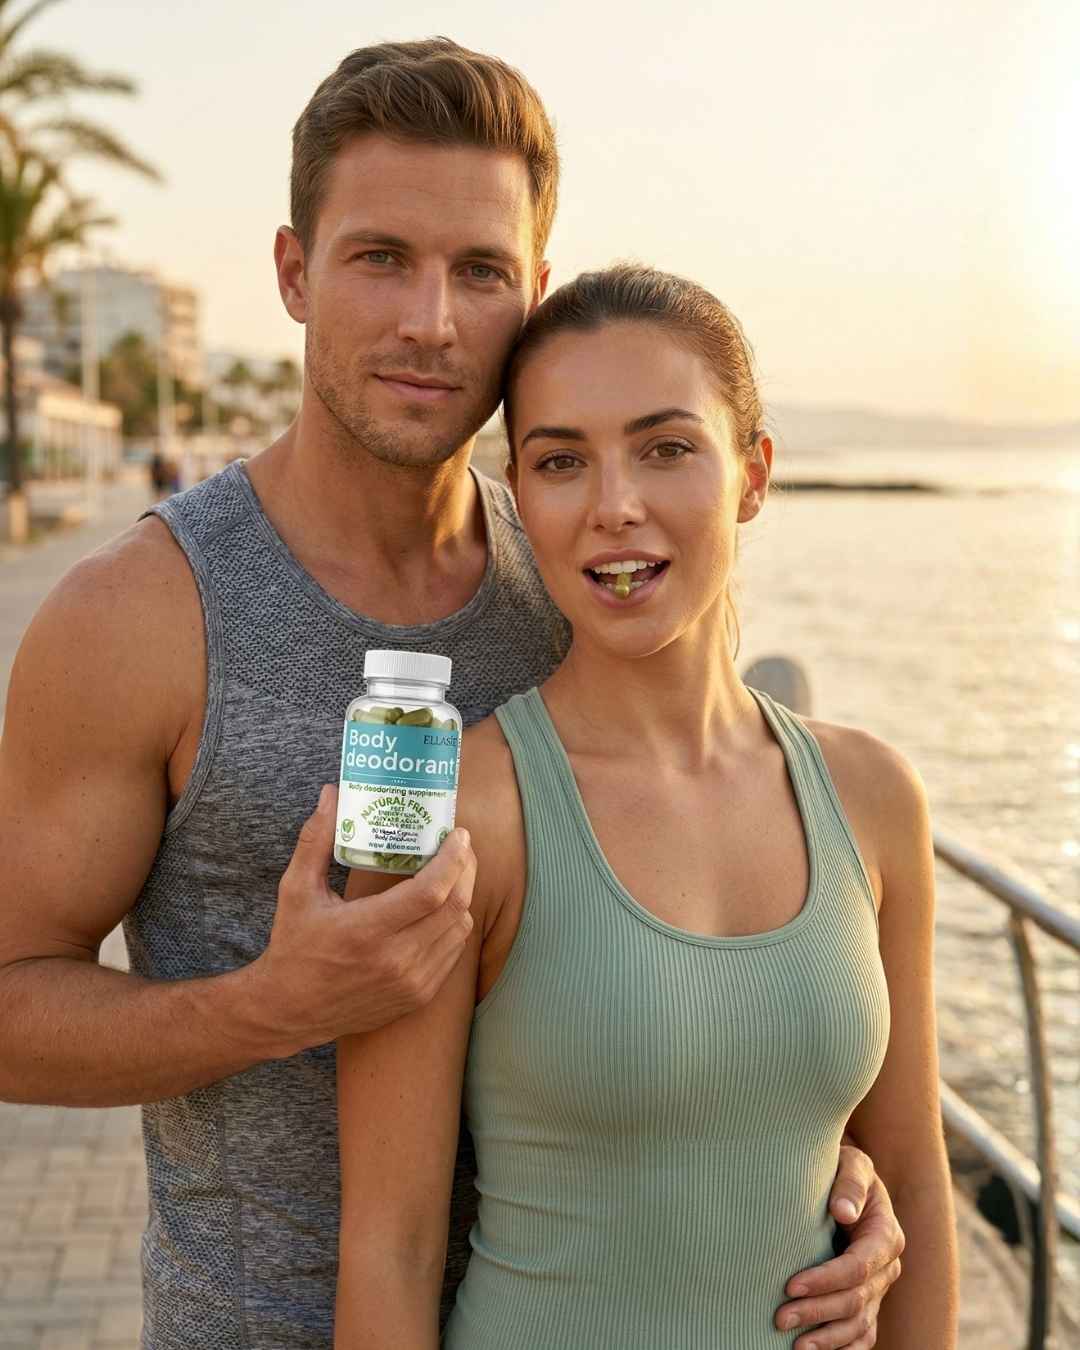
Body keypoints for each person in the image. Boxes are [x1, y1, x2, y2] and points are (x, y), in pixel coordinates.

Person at [0, 40, 903, 1347]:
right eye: (380, 258)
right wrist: (270, 1004)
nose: (432, 318)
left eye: (479, 270)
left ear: (531, 291)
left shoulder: (581, 579)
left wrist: (822, 1160)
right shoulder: (142, 617)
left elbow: (733, 904)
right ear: (294, 273)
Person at [335, 265, 957, 1349]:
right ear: (520, 496)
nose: (614, 504)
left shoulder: (872, 798)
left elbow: (910, 1172)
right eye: (562, 461)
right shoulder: (459, 807)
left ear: (752, 476)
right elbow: (391, 1245)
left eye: (667, 448)